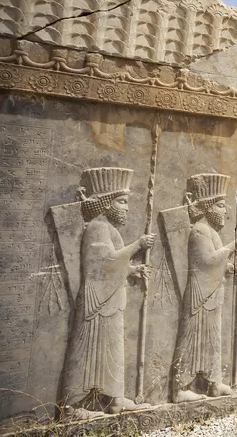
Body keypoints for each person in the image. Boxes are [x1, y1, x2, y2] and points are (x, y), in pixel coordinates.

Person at [62, 167, 153, 416]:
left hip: (111, 300)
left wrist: (132, 270)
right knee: (88, 350)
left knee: (113, 351)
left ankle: (114, 399)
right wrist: (138, 245)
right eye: (121, 201)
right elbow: (103, 263)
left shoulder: (109, 229)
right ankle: (71, 406)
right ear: (106, 202)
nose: (126, 207)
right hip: (96, 303)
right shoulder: (97, 228)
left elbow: (114, 265)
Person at [173, 174, 237, 402]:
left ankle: (214, 383)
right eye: (221, 206)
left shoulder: (210, 232)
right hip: (199, 296)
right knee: (192, 338)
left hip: (212, 294)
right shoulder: (199, 231)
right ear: (208, 207)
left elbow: (216, 264)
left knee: (213, 339)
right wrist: (231, 248)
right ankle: (180, 388)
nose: (226, 212)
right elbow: (205, 263)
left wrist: (231, 268)